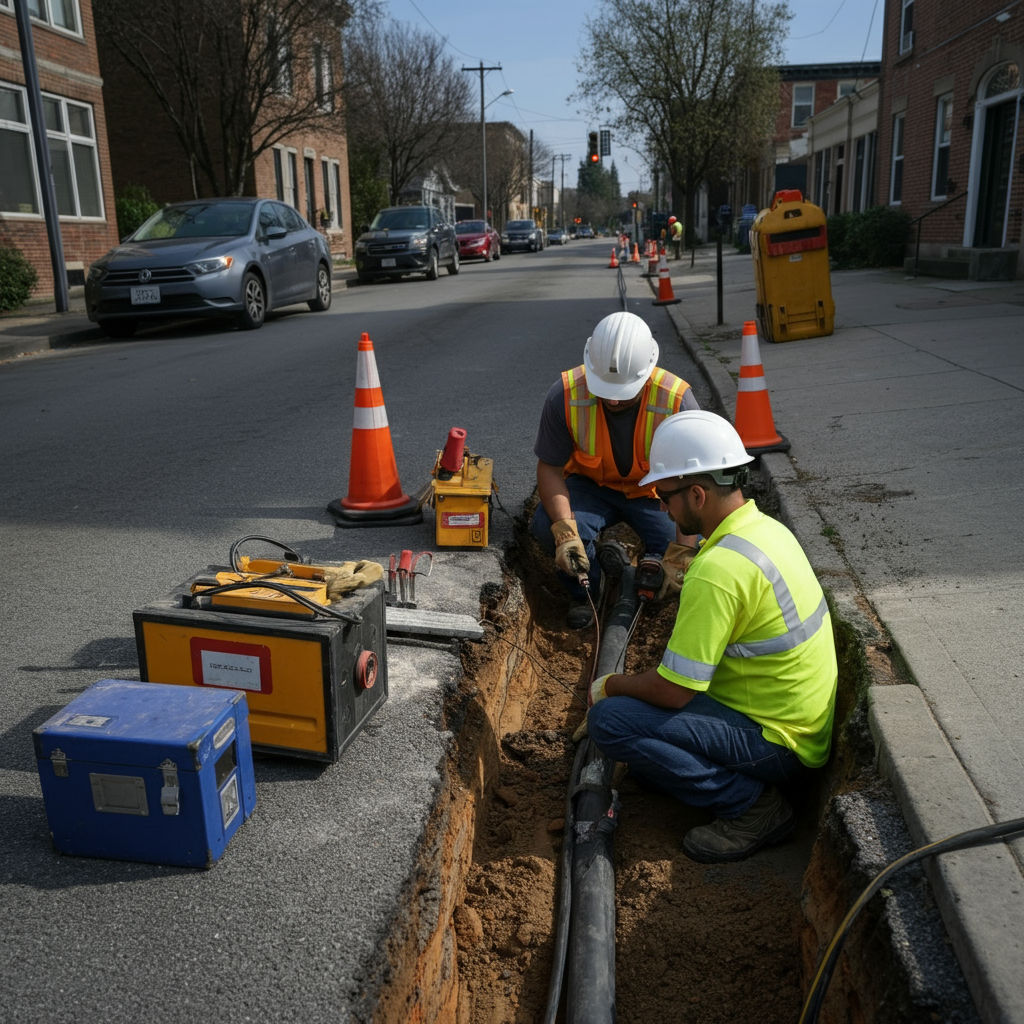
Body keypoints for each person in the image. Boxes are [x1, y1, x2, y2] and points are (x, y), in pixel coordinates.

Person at [583, 410, 838, 863]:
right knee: (639, 716)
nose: (662, 507)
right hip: (796, 724)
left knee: (612, 721)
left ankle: (753, 807)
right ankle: (680, 767)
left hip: (778, 744)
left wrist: (609, 686)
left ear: (697, 494)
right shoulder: (767, 530)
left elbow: (674, 691)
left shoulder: (718, 571)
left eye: (664, 495)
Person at [530, 312, 701, 629]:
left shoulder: (676, 400)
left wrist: (682, 554)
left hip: (655, 493)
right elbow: (550, 468)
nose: (611, 399)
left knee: (684, 553)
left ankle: (645, 580)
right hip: (590, 487)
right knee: (547, 526)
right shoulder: (564, 395)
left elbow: (692, 482)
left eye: (621, 391)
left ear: (647, 373)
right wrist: (567, 535)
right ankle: (587, 592)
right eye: (604, 388)